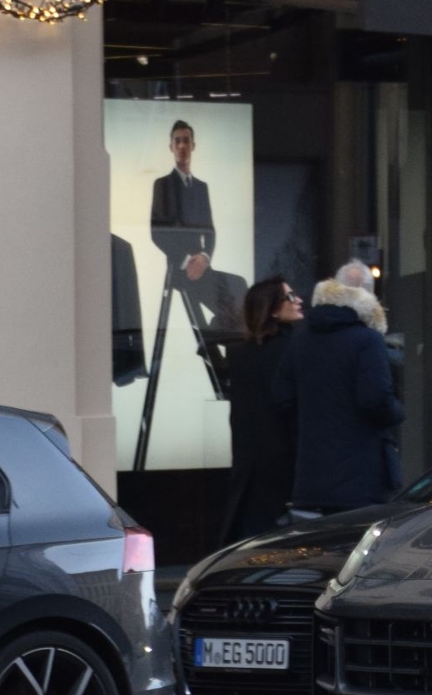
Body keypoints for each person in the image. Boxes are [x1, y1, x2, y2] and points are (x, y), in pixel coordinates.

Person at [276, 260, 404, 518]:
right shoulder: (368, 340)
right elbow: (376, 400)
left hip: (310, 480)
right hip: (361, 478)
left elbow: (282, 398)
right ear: (367, 294)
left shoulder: (300, 339)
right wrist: (398, 412)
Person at [149, 119, 246, 346]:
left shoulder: (201, 188)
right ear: (171, 146)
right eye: (178, 141)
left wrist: (203, 257)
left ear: (193, 145)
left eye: (186, 141)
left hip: (202, 268)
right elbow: (157, 233)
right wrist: (187, 261)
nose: (182, 146)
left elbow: (210, 232)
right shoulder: (162, 185)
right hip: (181, 269)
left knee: (238, 285)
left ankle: (218, 336)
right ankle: (217, 337)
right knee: (231, 304)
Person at [219, 277, 302, 541]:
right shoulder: (293, 349)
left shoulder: (239, 354)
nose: (298, 300)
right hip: (285, 461)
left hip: (251, 463)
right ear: (273, 308)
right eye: (290, 296)